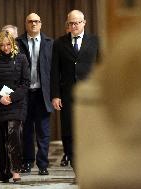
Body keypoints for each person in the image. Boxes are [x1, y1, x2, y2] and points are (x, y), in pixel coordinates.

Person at [51, 10, 99, 169]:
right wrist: (55, 95)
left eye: (77, 22)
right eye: (71, 23)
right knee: (69, 128)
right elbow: (54, 71)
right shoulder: (59, 43)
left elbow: (103, 67)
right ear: (68, 25)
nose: (74, 25)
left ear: (84, 22)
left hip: (91, 94)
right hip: (67, 94)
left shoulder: (95, 41)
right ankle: (72, 158)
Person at [0, 31, 30, 183]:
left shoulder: (21, 58)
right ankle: (3, 172)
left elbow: (25, 83)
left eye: (8, 44)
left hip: (16, 104)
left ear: (13, 44)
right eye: (2, 45)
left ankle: (16, 170)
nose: (5, 48)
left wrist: (11, 97)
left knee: (13, 134)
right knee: (0, 137)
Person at [16, 13, 54, 175]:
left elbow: (54, 71)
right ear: (26, 24)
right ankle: (27, 161)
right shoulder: (18, 43)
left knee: (43, 131)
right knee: (26, 131)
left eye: (36, 21)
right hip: (24, 93)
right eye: (30, 21)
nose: (33, 24)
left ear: (41, 24)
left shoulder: (50, 43)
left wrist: (55, 94)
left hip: (42, 93)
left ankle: (43, 164)